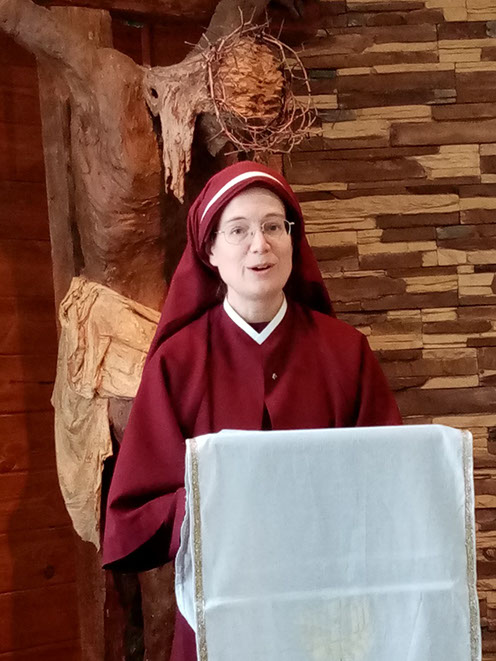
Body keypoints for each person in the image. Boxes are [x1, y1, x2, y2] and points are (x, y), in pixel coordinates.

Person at [102, 160, 402, 661]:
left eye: (273, 227)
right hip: (220, 616)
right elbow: (133, 515)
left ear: (293, 240)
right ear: (210, 251)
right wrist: (216, 501)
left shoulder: (346, 352)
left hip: (327, 615)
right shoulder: (178, 364)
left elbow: (390, 486)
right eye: (238, 230)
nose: (259, 245)